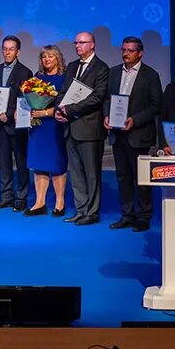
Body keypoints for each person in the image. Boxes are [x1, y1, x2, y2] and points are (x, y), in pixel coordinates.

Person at [104, 36, 163, 232]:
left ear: (140, 53)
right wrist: (106, 115)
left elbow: (156, 106)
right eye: (123, 50)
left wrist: (134, 120)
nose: (125, 54)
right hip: (117, 134)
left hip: (138, 135)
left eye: (130, 50)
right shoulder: (113, 72)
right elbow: (107, 99)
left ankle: (144, 216)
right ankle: (127, 215)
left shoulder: (150, 75)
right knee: (123, 177)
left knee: (141, 178)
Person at [55, 31, 109, 225]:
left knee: (91, 174)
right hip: (70, 127)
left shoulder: (101, 68)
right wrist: (59, 110)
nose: (78, 46)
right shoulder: (72, 66)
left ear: (92, 45)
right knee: (76, 173)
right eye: (76, 43)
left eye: (82, 42)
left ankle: (92, 213)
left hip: (90, 129)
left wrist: (69, 110)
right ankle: (81, 210)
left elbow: (97, 97)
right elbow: (63, 92)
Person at [0, 35, 34, 210]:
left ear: (18, 52)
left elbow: (23, 100)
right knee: (4, 161)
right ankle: (6, 195)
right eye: (5, 49)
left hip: (16, 124)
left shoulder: (25, 72)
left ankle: (21, 197)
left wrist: (7, 114)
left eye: (11, 49)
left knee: (21, 162)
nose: (7, 52)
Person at [25, 45, 69, 216]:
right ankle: (40, 203)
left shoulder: (64, 78)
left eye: (50, 56)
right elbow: (28, 100)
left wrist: (45, 112)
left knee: (56, 164)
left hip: (55, 125)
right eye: (44, 56)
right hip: (38, 127)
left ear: (58, 58)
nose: (47, 59)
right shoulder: (38, 77)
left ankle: (60, 202)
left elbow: (66, 104)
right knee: (39, 164)